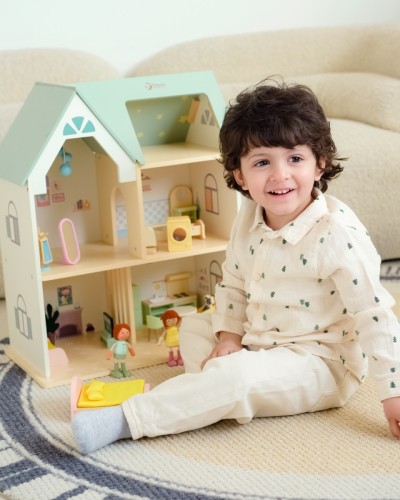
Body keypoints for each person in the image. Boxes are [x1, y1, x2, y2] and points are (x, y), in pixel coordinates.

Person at [72, 78, 400, 454]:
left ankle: (128, 418)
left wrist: (393, 392)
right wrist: (228, 338)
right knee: (194, 327)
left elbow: (375, 315)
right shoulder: (247, 217)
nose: (280, 174)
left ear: (320, 163)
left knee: (236, 376)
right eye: (262, 162)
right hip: (255, 340)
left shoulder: (337, 235)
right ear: (241, 175)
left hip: (318, 362)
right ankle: (207, 394)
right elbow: (233, 282)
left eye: (295, 159)